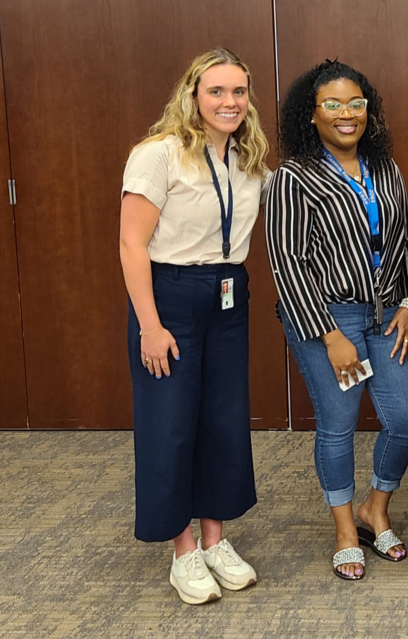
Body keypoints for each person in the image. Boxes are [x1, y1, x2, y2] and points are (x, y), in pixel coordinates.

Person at [119, 48, 270, 604]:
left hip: (229, 294)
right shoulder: (158, 155)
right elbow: (131, 243)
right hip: (171, 297)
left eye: (238, 92)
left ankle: (214, 540)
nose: (230, 102)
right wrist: (149, 326)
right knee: (171, 423)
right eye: (216, 91)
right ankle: (182, 549)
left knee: (223, 420)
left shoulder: (250, 158)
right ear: (193, 95)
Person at [265, 60, 408, 581]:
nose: (346, 113)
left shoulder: (386, 168)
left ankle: (375, 508)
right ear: (311, 115)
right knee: (338, 425)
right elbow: (287, 262)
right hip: (329, 319)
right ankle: (344, 532)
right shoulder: (294, 178)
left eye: (356, 103)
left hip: (389, 316)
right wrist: (331, 335)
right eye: (332, 104)